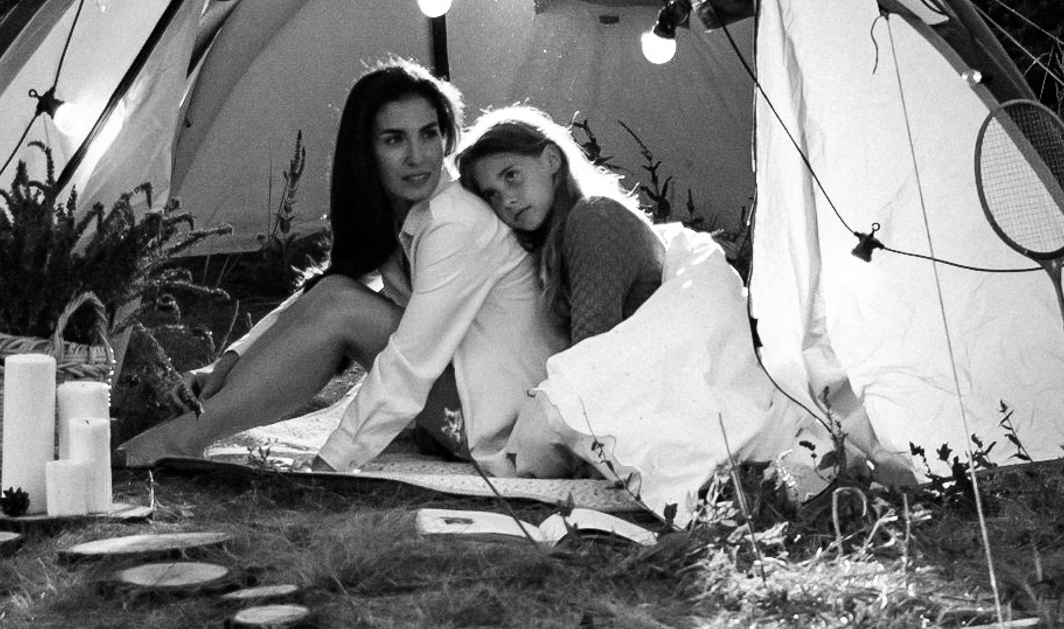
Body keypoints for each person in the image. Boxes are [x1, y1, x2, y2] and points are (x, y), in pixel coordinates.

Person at [120, 62, 560, 474]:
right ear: (365, 150)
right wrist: (228, 361)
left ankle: (184, 438)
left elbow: (410, 364)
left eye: (429, 134)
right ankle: (188, 432)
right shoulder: (400, 210)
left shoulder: (457, 223)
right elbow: (326, 289)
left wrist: (330, 464)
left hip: (497, 427)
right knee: (335, 295)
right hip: (461, 399)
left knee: (342, 308)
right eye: (394, 140)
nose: (417, 156)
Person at [455, 106, 664, 348]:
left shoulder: (594, 218)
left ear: (551, 159)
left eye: (511, 175)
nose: (506, 201)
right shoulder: (560, 234)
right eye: (492, 194)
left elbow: (590, 354)